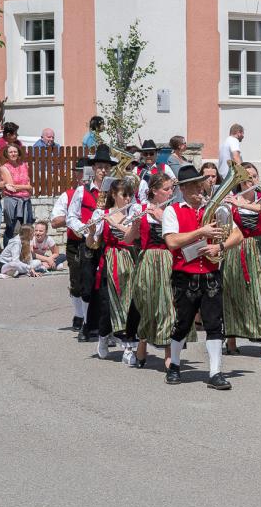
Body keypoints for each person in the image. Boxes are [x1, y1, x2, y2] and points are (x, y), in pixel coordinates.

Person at [162, 165, 243, 389]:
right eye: (194, 186)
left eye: (201, 184)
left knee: (214, 324)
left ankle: (215, 372)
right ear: (183, 189)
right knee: (182, 323)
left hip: (211, 273)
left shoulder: (215, 209)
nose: (200, 189)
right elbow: (172, 242)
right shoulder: (172, 210)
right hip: (184, 275)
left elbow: (238, 235)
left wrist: (220, 247)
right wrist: (201, 232)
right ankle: (174, 365)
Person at [221, 162, 261, 362]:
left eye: (253, 176)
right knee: (235, 292)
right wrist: (231, 204)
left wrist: (243, 204)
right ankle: (231, 338)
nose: (250, 179)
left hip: (260, 248)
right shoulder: (230, 199)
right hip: (236, 248)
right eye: (246, 176)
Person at [127, 173, 182, 371]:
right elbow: (127, 240)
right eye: (166, 189)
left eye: (171, 189)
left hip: (168, 260)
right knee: (147, 305)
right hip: (148, 261)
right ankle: (142, 343)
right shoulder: (139, 209)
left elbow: (179, 236)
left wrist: (162, 218)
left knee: (168, 307)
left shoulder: (173, 210)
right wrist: (134, 226)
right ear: (154, 191)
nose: (170, 192)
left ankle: (168, 354)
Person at [87, 178, 141, 361]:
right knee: (107, 305)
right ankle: (103, 337)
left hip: (130, 260)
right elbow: (92, 244)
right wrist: (91, 231)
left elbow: (132, 237)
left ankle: (128, 347)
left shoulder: (133, 213)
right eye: (124, 195)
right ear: (113, 195)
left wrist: (115, 222)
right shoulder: (102, 214)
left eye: (130, 195)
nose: (128, 199)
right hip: (110, 262)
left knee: (130, 304)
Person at [66, 145, 116, 341]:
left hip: (109, 243)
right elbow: (71, 217)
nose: (103, 170)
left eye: (106, 167)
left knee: (107, 286)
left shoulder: (114, 191)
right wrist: (87, 230)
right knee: (87, 286)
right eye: (100, 167)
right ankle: (87, 324)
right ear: (93, 168)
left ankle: (106, 327)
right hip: (88, 242)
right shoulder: (82, 190)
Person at [51, 158, 89, 329]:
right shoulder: (68, 195)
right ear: (76, 175)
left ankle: (91, 317)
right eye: (80, 172)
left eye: (87, 172)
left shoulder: (100, 194)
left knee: (94, 281)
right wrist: (73, 216)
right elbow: (55, 221)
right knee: (76, 280)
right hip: (76, 241)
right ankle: (79, 314)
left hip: (97, 240)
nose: (84, 176)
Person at [0, 142, 34, 245]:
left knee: (26, 229)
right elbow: (12, 188)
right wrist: (27, 187)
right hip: (12, 200)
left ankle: (23, 252)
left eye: (15, 151)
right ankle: (8, 251)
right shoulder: (4, 168)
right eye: (10, 152)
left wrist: (27, 187)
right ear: (7, 154)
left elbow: (28, 183)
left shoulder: (24, 165)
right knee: (13, 229)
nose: (13, 154)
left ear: (18, 153)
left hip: (25, 200)